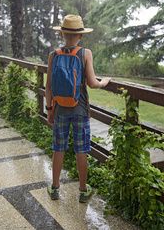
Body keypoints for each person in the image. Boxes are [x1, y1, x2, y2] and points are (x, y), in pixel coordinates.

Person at [45, 14, 111, 203]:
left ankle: (55, 188)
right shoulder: (85, 53)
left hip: (59, 110)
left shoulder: (54, 55)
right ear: (80, 36)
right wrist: (103, 82)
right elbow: (92, 83)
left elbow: (48, 86)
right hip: (80, 109)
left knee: (59, 148)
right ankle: (83, 190)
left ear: (62, 35)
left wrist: (49, 109)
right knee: (81, 149)